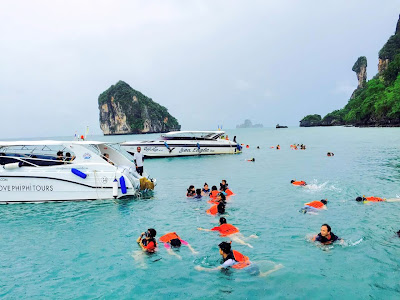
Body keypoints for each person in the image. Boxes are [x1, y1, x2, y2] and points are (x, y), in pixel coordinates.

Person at [194, 242, 283, 276]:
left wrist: (202, 269)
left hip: (249, 268)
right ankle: (277, 267)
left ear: (222, 251)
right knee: (262, 276)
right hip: (250, 263)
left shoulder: (229, 261)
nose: (219, 250)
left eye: (219, 249)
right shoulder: (232, 252)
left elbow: (216, 269)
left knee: (262, 276)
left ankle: (277, 268)